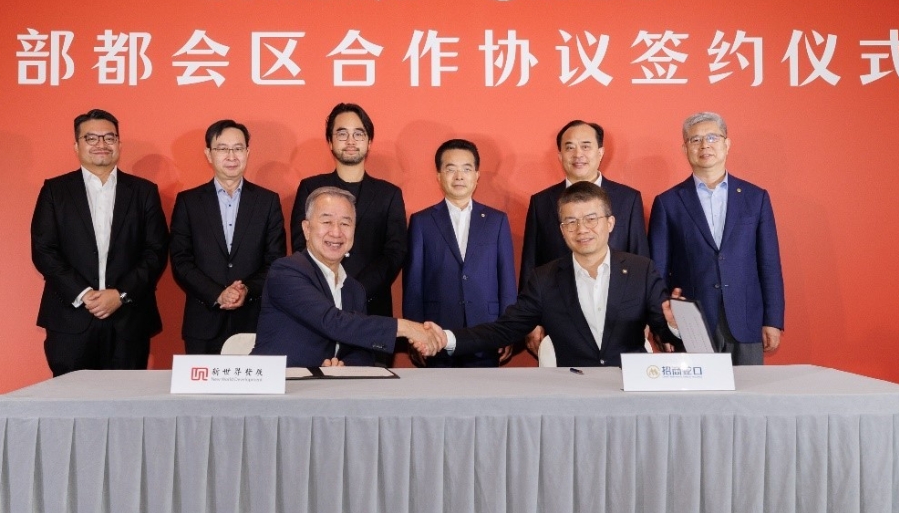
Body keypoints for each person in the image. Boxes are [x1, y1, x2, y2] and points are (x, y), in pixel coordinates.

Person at [424, 182, 678, 367]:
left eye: (591, 219)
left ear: (609, 223)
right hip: (571, 392)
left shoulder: (641, 270)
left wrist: (677, 325)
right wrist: (446, 338)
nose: (582, 229)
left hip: (628, 391)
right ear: (562, 230)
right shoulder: (545, 278)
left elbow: (664, 333)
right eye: (571, 222)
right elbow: (504, 330)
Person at [30, 109, 168, 376]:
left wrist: (121, 294)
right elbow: (44, 250)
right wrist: (84, 294)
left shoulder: (143, 191)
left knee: (127, 397)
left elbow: (156, 250)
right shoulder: (55, 191)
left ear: (119, 144)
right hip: (71, 319)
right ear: (77, 145)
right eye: (91, 138)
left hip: (128, 318)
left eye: (109, 137)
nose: (101, 144)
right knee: (71, 397)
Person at [648, 111, 784, 365]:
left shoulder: (756, 198)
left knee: (749, 390)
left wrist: (773, 320)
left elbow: (769, 265)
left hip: (746, 320)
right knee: (696, 391)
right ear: (685, 148)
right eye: (695, 139)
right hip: (690, 323)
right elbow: (657, 272)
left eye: (712, 137)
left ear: (727, 144)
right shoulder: (668, 203)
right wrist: (662, 327)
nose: (704, 145)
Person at [254, 187, 434, 368]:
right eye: (326, 221)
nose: (336, 232)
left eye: (345, 224)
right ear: (307, 229)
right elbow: (331, 321)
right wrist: (406, 328)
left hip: (327, 384)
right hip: (279, 381)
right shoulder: (286, 271)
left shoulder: (354, 289)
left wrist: (344, 365)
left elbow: (362, 351)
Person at [518, 119, 647, 354]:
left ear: (600, 152)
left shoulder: (628, 199)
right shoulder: (542, 202)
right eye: (570, 147)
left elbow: (641, 260)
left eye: (586, 146)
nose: (578, 154)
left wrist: (646, 314)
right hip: (557, 321)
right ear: (560, 155)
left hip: (619, 322)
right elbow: (531, 262)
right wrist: (531, 320)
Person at [169, 119, 286, 354]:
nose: (231, 156)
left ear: (248, 152)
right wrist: (217, 294)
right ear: (208, 154)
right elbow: (181, 261)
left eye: (238, 148)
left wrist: (246, 290)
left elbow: (275, 260)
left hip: (253, 323)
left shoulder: (267, 201)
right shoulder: (189, 202)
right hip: (203, 323)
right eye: (222, 148)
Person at [403, 139, 517, 367]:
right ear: (439, 176)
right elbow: (413, 283)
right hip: (436, 333)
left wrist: (509, 329)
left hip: (487, 331)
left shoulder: (496, 221)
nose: (459, 176)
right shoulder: (422, 221)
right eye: (450, 169)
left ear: (477, 175)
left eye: (466, 169)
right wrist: (415, 331)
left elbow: (506, 279)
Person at [289, 102, 407, 319]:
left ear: (369, 142)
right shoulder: (310, 188)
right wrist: (330, 285)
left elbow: (394, 253)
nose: (351, 141)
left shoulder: (389, 194)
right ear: (330, 141)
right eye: (342, 134)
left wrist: (356, 289)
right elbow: (301, 244)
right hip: (320, 303)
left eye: (358, 134)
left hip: (372, 306)